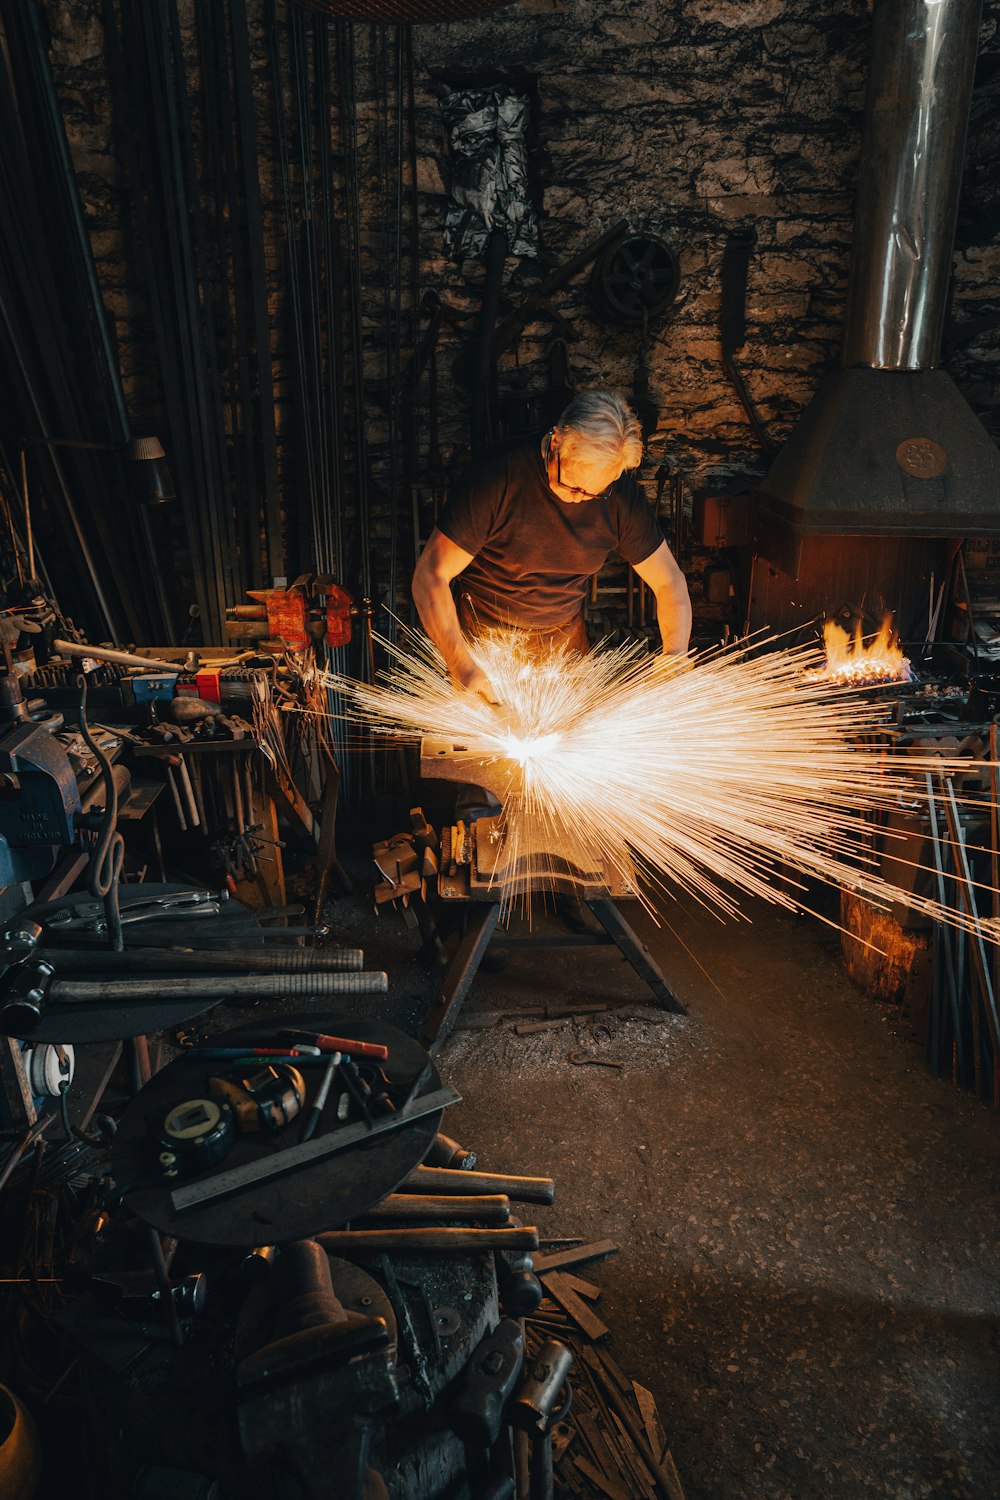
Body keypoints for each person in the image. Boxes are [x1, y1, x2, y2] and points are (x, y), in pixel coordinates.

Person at [411, 390, 691, 699]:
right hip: (485, 642)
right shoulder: (496, 479)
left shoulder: (621, 499)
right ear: (555, 442)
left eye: (596, 493)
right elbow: (430, 575)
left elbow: (668, 580)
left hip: (566, 643)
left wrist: (675, 651)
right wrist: (460, 664)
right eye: (573, 486)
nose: (581, 498)